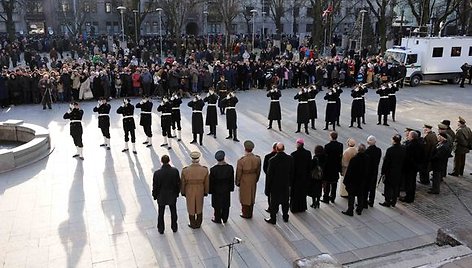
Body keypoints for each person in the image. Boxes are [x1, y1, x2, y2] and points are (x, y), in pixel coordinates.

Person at [265, 142, 294, 224]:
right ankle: (285, 217)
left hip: (275, 186)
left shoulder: (272, 160)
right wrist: (290, 183)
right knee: (285, 202)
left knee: (274, 203)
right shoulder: (290, 158)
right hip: (285, 185)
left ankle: (273, 219)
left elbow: (269, 176)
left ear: (276, 149)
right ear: (284, 148)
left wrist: (267, 189)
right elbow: (292, 172)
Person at [152, 155, 180, 234]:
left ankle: (161, 228)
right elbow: (178, 183)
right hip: (172, 195)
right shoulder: (175, 171)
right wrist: (177, 193)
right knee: (173, 212)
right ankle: (174, 227)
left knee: (161, 213)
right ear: (169, 160)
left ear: (161, 161)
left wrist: (155, 195)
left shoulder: (157, 173)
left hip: (161, 196)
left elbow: (155, 186)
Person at [181, 151, 209, 229]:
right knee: (199, 206)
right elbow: (206, 182)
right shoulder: (204, 170)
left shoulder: (185, 170)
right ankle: (199, 223)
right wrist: (206, 191)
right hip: (200, 189)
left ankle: (192, 223)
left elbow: (183, 183)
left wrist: (183, 192)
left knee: (191, 206)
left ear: (191, 159)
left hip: (189, 189)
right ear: (199, 159)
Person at [235, 140, 261, 219]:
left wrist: (237, 181)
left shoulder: (241, 160)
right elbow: (258, 171)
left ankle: (245, 213)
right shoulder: (257, 159)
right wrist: (256, 179)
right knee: (252, 195)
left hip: (244, 179)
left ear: (245, 148)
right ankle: (250, 212)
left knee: (244, 196)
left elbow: (238, 173)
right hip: (253, 178)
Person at [342, 143, 370, 216]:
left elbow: (350, 171)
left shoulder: (354, 159)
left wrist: (346, 181)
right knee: (361, 195)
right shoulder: (367, 158)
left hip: (353, 181)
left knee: (351, 196)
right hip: (362, 180)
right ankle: (359, 210)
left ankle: (350, 210)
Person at [379, 134, 406, 207]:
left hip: (390, 172)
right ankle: (394, 201)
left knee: (388, 187)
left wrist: (383, 172)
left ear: (394, 141)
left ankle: (387, 201)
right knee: (396, 187)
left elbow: (386, 162)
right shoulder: (403, 149)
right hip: (399, 171)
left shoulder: (390, 150)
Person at [209, 150, 235, 224]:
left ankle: (217, 219)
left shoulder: (213, 169)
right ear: (224, 158)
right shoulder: (230, 168)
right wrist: (231, 188)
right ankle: (225, 218)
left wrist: (210, 191)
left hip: (216, 191)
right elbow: (231, 179)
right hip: (226, 189)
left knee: (217, 205)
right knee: (226, 205)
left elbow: (211, 182)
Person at [399, 130, 423, 203]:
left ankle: (408, 198)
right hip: (415, 167)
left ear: (412, 137)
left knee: (409, 183)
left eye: (409, 135)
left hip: (409, 168)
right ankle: (411, 196)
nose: (408, 136)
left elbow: (407, 158)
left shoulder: (409, 146)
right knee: (412, 182)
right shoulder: (420, 144)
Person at [290, 138, 312, 213]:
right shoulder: (308, 153)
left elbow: (292, 168)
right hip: (304, 177)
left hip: (296, 178)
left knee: (295, 194)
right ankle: (302, 207)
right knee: (302, 193)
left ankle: (294, 208)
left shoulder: (293, 154)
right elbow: (309, 166)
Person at [322, 131, 343, 203]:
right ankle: (333, 197)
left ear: (331, 137)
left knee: (327, 183)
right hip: (336, 166)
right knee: (334, 182)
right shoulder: (340, 145)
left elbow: (324, 157)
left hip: (328, 167)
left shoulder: (327, 146)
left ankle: (326, 198)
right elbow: (340, 156)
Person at [364, 136, 382, 207]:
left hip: (368, 172)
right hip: (375, 171)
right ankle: (371, 201)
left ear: (368, 142)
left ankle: (364, 201)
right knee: (372, 187)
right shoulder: (379, 150)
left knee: (365, 188)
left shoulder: (367, 151)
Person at [263, 142, 278, 212]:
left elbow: (265, 168)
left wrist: (268, 174)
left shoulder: (268, 156)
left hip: (270, 178)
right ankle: (276, 207)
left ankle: (270, 207)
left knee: (270, 194)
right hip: (278, 179)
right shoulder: (284, 157)